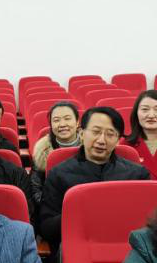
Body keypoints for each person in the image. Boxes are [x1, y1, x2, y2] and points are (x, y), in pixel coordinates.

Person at [38, 106, 150, 250]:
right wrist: (79, 213)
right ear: (81, 134)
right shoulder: (59, 174)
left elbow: (148, 222)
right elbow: (46, 228)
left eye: (110, 134)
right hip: (78, 247)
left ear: (118, 140)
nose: (101, 140)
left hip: (127, 246)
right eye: (96, 132)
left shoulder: (137, 175)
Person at [30, 101, 81, 216]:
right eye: (56, 120)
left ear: (77, 122)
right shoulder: (42, 151)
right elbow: (35, 187)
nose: (62, 124)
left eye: (67, 119)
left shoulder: (91, 147)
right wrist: (50, 207)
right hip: (53, 211)